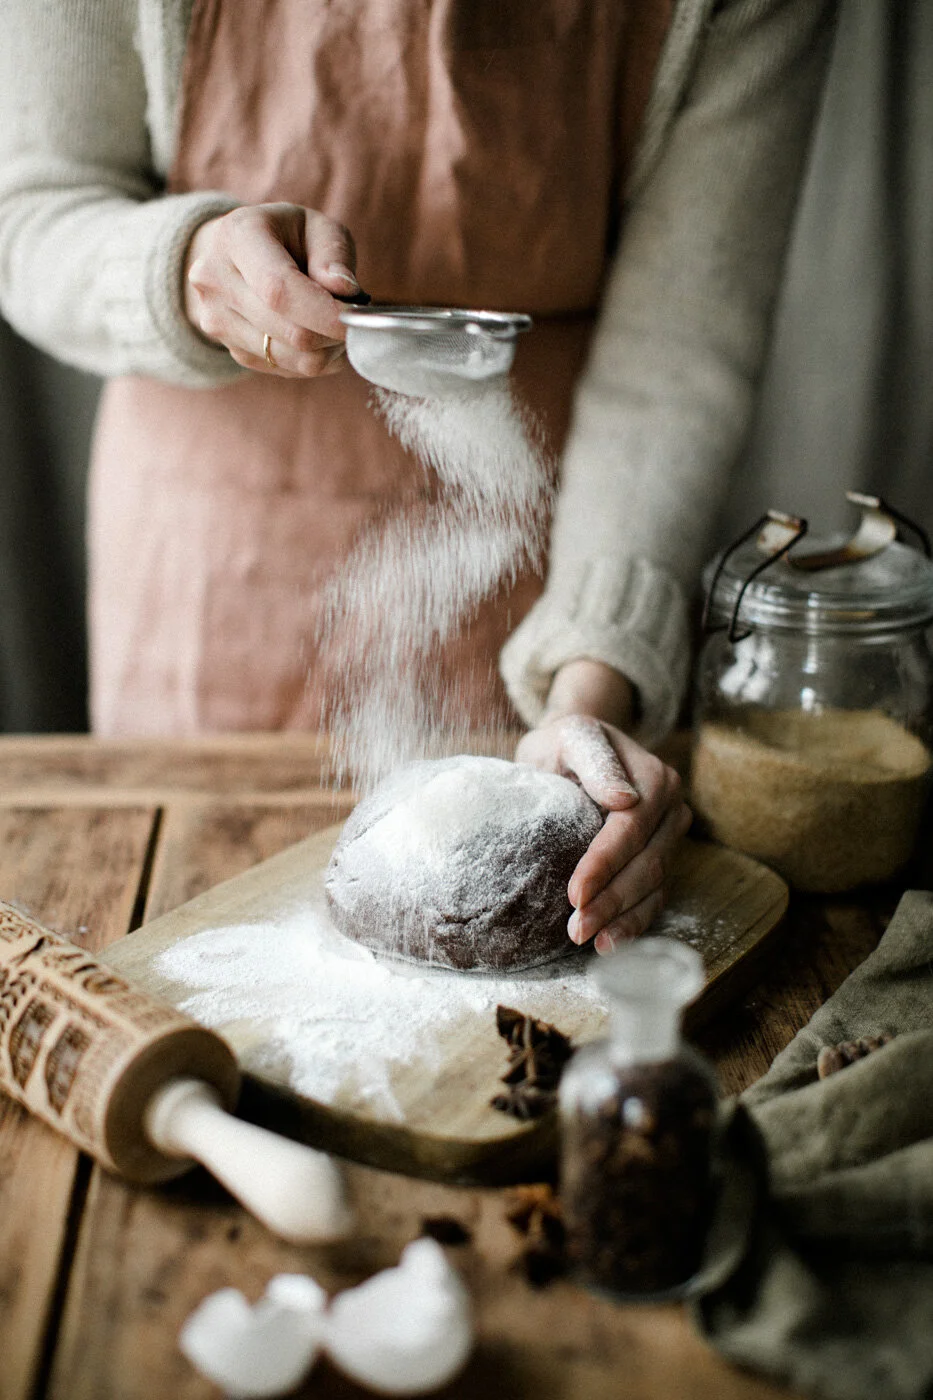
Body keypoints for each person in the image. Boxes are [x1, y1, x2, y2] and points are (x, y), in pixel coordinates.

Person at [0, 0, 836, 955]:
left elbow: (679, 350)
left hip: (546, 544)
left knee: (506, 909)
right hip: (214, 558)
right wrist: (183, 265)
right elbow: (31, 211)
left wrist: (586, 690)